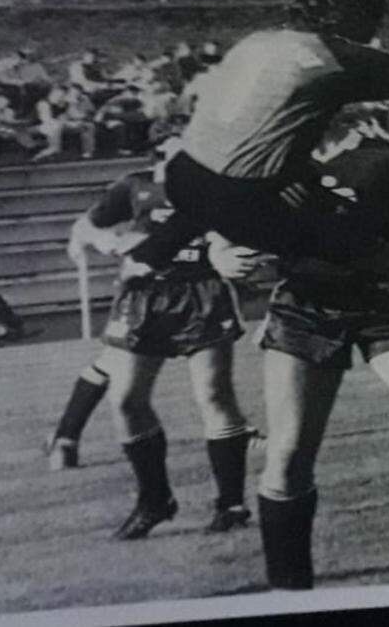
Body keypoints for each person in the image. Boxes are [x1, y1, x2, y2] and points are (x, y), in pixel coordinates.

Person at [207, 115, 389, 589]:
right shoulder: (265, 160)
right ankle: (289, 593)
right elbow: (219, 225)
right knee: (290, 451)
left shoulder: (388, 156)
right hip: (306, 307)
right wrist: (220, 254)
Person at [125, 0, 389, 316]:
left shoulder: (258, 41)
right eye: (373, 19)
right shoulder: (339, 57)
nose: (375, 30)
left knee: (297, 176)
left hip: (185, 178)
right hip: (247, 201)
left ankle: (148, 255)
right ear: (356, 17)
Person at [45, 140, 259, 537]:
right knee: (125, 399)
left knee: (213, 395)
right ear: (159, 154)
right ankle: (154, 500)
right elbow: (86, 227)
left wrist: (226, 253)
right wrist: (112, 244)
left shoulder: (212, 188)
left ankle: (231, 504)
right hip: (145, 297)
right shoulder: (135, 186)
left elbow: (229, 234)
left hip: (201, 293)